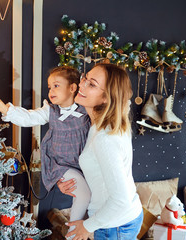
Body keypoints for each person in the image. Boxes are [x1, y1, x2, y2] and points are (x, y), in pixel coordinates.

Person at [0, 66, 91, 237]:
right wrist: (5, 109)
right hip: (61, 165)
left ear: (72, 88)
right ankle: (74, 235)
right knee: (83, 194)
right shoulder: (51, 111)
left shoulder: (86, 110)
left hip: (84, 164)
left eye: (56, 85)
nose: (51, 91)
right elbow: (29, 117)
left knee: (88, 200)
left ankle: (86, 231)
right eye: (50, 87)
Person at [57, 63, 143, 240]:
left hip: (114, 226)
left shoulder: (105, 138)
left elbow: (121, 200)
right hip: (121, 219)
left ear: (106, 98)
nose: (81, 85)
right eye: (85, 78)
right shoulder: (101, 123)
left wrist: (87, 227)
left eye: (92, 84)